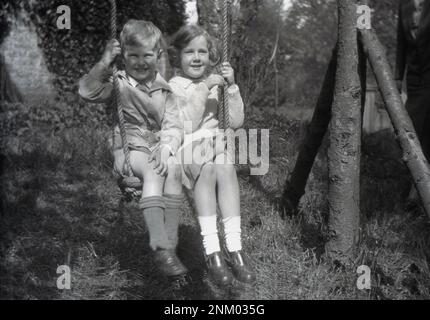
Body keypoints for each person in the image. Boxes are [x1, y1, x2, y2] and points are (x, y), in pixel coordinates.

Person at [78, 20, 187, 277]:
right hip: (128, 154)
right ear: (123, 56)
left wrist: (166, 149)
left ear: (158, 56)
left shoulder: (165, 90)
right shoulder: (119, 84)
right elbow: (86, 91)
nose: (140, 61)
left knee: (173, 170)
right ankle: (160, 246)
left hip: (155, 150)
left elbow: (174, 127)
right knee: (154, 171)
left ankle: (170, 243)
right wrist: (105, 61)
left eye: (147, 55)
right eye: (132, 55)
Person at [167, 25, 256, 286]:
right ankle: (212, 251)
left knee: (226, 166)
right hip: (187, 149)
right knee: (209, 165)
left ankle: (235, 248)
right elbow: (186, 126)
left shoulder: (216, 85)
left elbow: (236, 122)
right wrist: (204, 88)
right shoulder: (175, 86)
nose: (196, 57)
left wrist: (231, 87)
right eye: (189, 51)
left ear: (210, 55)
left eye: (202, 51)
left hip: (213, 148)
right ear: (178, 56)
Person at [395, 0, 430, 164]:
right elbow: (401, 43)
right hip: (414, 77)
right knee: (411, 126)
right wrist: (398, 77)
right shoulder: (404, 6)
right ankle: (417, 177)